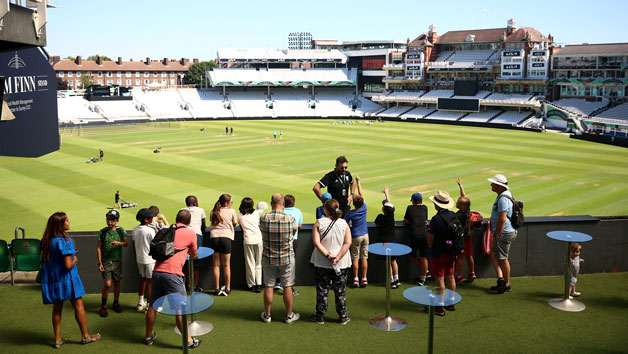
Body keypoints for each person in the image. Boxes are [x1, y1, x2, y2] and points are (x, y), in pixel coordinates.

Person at [40, 212, 101, 348]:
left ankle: (57, 340)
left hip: (52, 279)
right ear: (60, 225)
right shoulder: (65, 241)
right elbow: (68, 265)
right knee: (78, 305)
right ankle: (85, 336)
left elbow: (49, 258)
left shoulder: (45, 240)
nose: (69, 222)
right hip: (67, 279)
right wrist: (75, 259)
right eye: (67, 220)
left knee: (57, 308)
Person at [144, 209, 201, 349]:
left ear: (176, 219)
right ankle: (188, 341)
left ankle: (148, 336)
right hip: (173, 275)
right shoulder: (190, 233)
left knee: (152, 306)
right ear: (188, 222)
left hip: (157, 273)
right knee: (180, 310)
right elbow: (194, 255)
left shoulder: (167, 229)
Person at [310, 199, 352, 325]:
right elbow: (348, 243)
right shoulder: (344, 223)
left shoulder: (319, 223)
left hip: (322, 262)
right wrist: (338, 257)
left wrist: (329, 255)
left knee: (322, 288)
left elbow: (316, 243)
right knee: (340, 289)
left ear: (325, 209)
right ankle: (343, 316)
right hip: (341, 263)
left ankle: (320, 315)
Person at [259, 193, 300, 324]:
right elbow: (293, 233)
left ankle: (267, 315)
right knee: (287, 285)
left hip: (269, 258)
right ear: (283, 204)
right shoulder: (290, 219)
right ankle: (289, 316)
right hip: (286, 258)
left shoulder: (263, 218)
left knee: (269, 285)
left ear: (271, 204)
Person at [427, 190, 458, 316]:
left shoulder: (436, 219)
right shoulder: (454, 216)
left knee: (439, 278)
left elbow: (430, 239)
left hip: (438, 252)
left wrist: (430, 246)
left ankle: (440, 307)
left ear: (437, 205)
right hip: (451, 252)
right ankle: (451, 302)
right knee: (450, 276)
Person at [488, 174, 517, 294]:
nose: (491, 185)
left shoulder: (503, 199)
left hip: (503, 233)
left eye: (493, 183)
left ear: (499, 186)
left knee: (503, 259)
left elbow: (502, 219)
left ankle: (506, 284)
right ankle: (501, 280)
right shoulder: (504, 196)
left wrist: (497, 234)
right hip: (505, 232)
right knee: (494, 254)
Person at [97, 209, 128, 317]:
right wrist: (99, 262)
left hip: (117, 261)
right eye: (108, 219)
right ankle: (103, 305)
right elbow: (99, 248)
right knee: (108, 284)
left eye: (112, 220)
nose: (110, 221)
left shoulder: (120, 230)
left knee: (117, 283)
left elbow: (126, 243)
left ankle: (116, 302)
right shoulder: (102, 232)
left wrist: (118, 243)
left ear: (117, 221)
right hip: (106, 262)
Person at [209, 193, 237, 296]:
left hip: (214, 238)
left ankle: (216, 288)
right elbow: (234, 223)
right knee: (226, 265)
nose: (231, 204)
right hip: (226, 238)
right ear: (226, 203)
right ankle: (228, 288)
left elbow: (212, 221)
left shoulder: (214, 211)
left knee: (216, 265)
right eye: (231, 202)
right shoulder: (231, 211)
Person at [345, 175, 369, 288]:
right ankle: (364, 279)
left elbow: (344, 221)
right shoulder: (364, 208)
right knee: (364, 257)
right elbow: (361, 195)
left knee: (355, 257)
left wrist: (348, 205)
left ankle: (355, 279)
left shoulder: (351, 213)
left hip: (355, 236)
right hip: (365, 236)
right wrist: (359, 182)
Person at [132, 208, 158, 312]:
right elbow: (155, 245)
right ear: (146, 220)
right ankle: (149, 305)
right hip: (150, 260)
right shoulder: (150, 230)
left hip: (140, 259)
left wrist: (136, 258)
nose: (153, 218)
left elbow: (134, 245)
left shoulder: (135, 229)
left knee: (142, 279)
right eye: (151, 217)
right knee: (150, 282)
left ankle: (140, 302)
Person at [374, 186, 400, 289]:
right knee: (394, 260)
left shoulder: (380, 217)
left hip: (384, 242)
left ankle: (391, 281)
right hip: (393, 241)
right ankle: (397, 279)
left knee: (387, 262)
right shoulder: (391, 216)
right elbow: (390, 206)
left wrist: (386, 194)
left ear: (383, 210)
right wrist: (387, 194)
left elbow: (377, 225)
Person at [403, 192, 430, 286]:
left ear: (413, 201)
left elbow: (406, 220)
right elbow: (425, 219)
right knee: (423, 257)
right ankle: (423, 277)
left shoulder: (410, 208)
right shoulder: (425, 207)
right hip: (425, 234)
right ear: (421, 201)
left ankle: (425, 270)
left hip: (415, 235)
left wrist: (408, 221)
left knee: (410, 253)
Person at [181, 195, 206, 292]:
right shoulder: (200, 210)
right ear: (195, 203)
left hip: (184, 235)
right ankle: (194, 286)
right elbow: (203, 225)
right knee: (197, 262)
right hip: (196, 236)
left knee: (187, 261)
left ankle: (188, 285)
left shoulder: (182, 210)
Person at [238, 197, 263, 293]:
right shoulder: (256, 213)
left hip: (248, 240)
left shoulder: (240, 215)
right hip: (258, 239)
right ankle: (258, 285)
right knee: (258, 263)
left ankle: (251, 285)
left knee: (250, 263)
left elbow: (241, 225)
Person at [454, 178, 476, 284]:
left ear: (462, 206)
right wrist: (461, 186)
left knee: (460, 257)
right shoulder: (467, 210)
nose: (456, 203)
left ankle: (459, 276)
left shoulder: (458, 216)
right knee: (469, 255)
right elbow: (464, 198)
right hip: (468, 236)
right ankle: (472, 273)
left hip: (461, 238)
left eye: (458, 202)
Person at [283, 194, 303, 295]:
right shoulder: (298, 211)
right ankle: (289, 287)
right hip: (293, 240)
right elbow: (299, 226)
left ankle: (280, 284)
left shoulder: (281, 211)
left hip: (282, 240)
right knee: (291, 264)